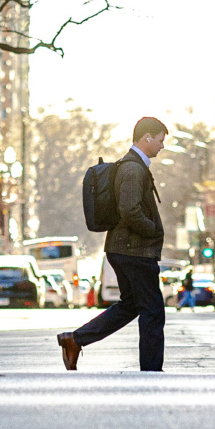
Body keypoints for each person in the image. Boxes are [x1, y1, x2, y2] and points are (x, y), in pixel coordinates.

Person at [59, 117, 168, 372]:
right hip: (135, 251)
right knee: (152, 310)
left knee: (130, 306)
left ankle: (75, 340)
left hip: (125, 249)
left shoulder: (133, 167)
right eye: (160, 140)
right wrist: (151, 231)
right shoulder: (133, 169)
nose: (162, 146)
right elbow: (130, 210)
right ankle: (152, 370)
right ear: (147, 138)